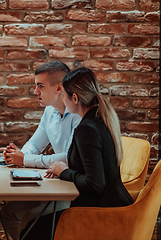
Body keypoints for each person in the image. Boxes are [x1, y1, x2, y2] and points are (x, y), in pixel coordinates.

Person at [21, 67, 134, 239]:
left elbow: (95, 184)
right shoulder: (98, 119)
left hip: (101, 213)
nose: (63, 101)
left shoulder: (86, 129)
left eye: (64, 96)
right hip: (111, 207)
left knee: (29, 232)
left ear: (74, 98)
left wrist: (64, 172)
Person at [0, 61, 81, 240]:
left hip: (73, 189)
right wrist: (18, 155)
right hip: (53, 183)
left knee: (27, 219)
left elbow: (70, 158)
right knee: (8, 213)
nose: (35, 91)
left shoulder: (78, 114)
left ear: (59, 87)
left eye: (40, 86)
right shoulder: (50, 111)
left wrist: (25, 160)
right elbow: (35, 144)